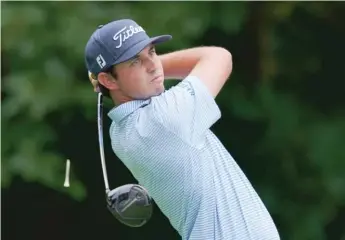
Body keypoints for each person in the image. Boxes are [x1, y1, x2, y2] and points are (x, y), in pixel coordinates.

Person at [84, 18, 280, 240]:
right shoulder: (164, 118)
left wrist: (142, 70)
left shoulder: (120, 133)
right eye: (135, 61)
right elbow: (219, 57)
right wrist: (159, 69)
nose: (152, 65)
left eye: (152, 52)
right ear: (108, 80)